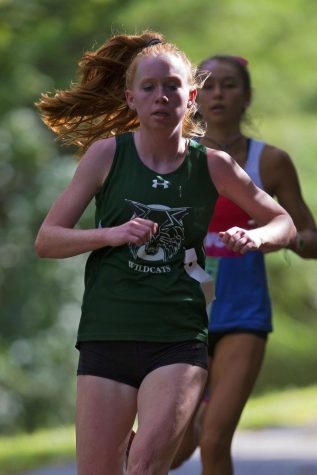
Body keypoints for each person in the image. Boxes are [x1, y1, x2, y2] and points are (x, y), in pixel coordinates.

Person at [34, 34, 296, 475]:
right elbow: (48, 239)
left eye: (172, 86)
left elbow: (283, 223)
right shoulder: (106, 156)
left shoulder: (212, 165)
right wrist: (111, 234)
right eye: (150, 87)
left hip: (178, 337)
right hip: (107, 335)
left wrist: (255, 239)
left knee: (145, 466)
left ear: (191, 97)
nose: (161, 96)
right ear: (130, 98)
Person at [171, 55, 317, 474]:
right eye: (210, 85)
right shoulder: (174, 157)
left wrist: (275, 237)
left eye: (230, 85)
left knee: (215, 440)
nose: (219, 94)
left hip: (243, 315)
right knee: (175, 445)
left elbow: (309, 238)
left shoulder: (270, 162)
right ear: (195, 96)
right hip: (181, 314)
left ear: (247, 96)